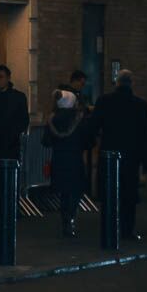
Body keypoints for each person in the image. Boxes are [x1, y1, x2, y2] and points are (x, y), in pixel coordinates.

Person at [90, 69, 147, 239]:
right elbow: (146, 135)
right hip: (131, 156)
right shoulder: (142, 106)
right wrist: (146, 164)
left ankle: (108, 227)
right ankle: (127, 229)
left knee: (109, 192)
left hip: (109, 153)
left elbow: (93, 127)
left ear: (116, 83)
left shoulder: (104, 101)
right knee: (129, 194)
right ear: (131, 84)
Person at [43, 89, 93, 236]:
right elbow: (88, 141)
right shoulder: (78, 118)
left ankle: (65, 218)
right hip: (75, 159)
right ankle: (71, 217)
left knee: (64, 192)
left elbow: (46, 141)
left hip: (58, 158)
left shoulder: (53, 118)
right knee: (75, 190)